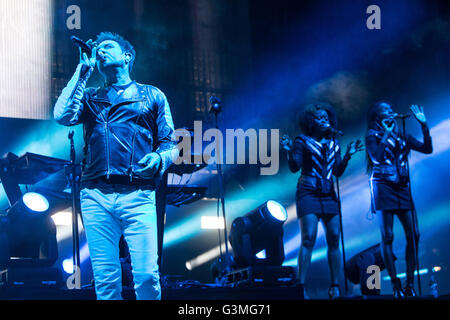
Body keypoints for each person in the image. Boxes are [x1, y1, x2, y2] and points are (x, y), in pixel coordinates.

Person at [53, 32, 177, 300]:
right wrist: (82, 70)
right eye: (98, 50)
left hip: (138, 194)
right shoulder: (90, 96)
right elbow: (62, 115)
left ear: (127, 56)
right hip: (95, 194)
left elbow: (170, 144)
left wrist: (157, 159)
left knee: (146, 277)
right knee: (106, 280)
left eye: (108, 47)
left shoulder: (152, 95)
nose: (100, 51)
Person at [281, 102, 363, 299]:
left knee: (334, 238)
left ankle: (335, 286)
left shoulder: (334, 142)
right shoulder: (302, 141)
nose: (324, 120)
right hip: (308, 191)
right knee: (308, 237)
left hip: (329, 193)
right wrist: (288, 150)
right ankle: (300, 286)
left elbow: (337, 172)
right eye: (319, 118)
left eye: (326, 117)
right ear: (311, 122)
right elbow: (295, 167)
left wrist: (348, 156)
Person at [365, 102, 432, 298]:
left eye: (390, 108)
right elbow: (376, 158)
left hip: (402, 187)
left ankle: (410, 283)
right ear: (377, 117)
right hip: (383, 186)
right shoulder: (372, 135)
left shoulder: (402, 135)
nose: (390, 111)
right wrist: (386, 134)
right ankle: (395, 286)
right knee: (387, 236)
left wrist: (424, 126)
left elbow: (427, 149)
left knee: (414, 234)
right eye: (385, 110)